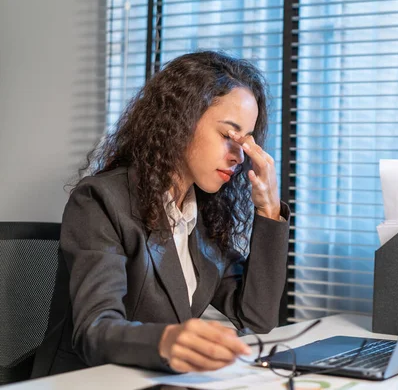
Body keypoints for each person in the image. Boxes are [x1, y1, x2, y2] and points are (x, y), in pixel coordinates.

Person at [32, 51, 290, 376]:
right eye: (228, 136)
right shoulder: (101, 200)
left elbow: (257, 316)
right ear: (181, 121)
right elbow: (93, 329)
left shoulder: (203, 215)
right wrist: (169, 340)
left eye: (246, 141)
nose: (239, 156)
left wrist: (268, 210)